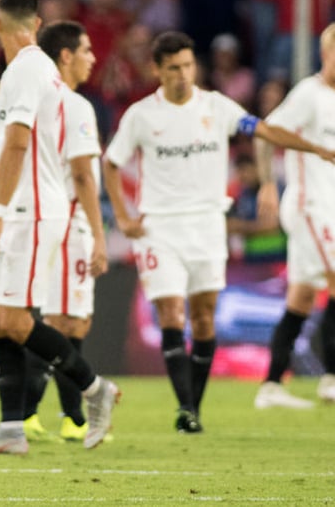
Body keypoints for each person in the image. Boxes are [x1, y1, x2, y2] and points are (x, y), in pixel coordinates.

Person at [103, 31, 335, 432]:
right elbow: (111, 163)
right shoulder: (141, 115)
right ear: (157, 70)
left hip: (208, 225)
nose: (182, 74)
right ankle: (187, 407)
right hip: (162, 226)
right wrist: (124, 218)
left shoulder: (215, 106)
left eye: (188, 65)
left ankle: (230, 393)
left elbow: (261, 129)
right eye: (173, 67)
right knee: (172, 313)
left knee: (208, 317)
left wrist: (312, 147)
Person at [0, 0, 120, 456]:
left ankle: (94, 390)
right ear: (37, 23)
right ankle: (11, 429)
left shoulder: (26, 70)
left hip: (28, 210)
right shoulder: (31, 71)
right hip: (23, 207)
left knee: (12, 316)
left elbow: (18, 142)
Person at [21, 21, 108, 443]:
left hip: (54, 219)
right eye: (87, 50)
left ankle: (65, 417)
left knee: (72, 323)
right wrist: (99, 235)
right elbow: (84, 176)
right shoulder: (73, 106)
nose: (94, 57)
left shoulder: (42, 102)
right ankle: (40, 414)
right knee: (62, 321)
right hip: (70, 221)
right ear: (66, 55)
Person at [254, 23, 335, 409]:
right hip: (309, 207)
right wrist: (269, 184)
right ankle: (332, 379)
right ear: (325, 53)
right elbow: (265, 132)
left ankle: (270, 385)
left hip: (329, 209)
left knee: (302, 297)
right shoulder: (309, 94)